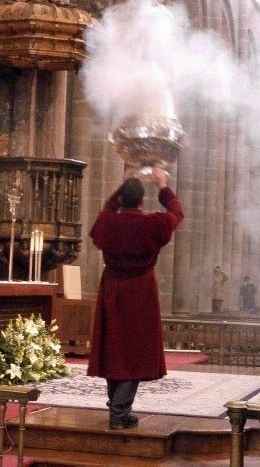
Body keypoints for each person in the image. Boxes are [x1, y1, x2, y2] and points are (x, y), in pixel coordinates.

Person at [87, 166, 184, 429]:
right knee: (134, 352)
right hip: (141, 291)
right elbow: (177, 212)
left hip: (113, 288)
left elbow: (106, 209)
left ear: (123, 199)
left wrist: (124, 182)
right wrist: (163, 186)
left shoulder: (109, 222)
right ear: (142, 200)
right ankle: (119, 413)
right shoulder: (153, 223)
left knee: (114, 349)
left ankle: (118, 409)